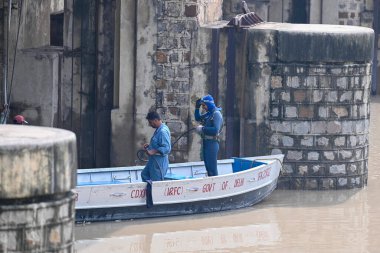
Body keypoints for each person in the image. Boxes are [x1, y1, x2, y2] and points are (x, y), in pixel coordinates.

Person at [194, 94, 223, 177]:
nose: (203, 107)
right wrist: (197, 108)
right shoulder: (209, 113)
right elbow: (198, 118)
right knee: (208, 166)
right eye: (202, 105)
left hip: (212, 143)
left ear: (209, 104)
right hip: (206, 142)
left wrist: (202, 129)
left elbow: (215, 130)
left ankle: (215, 185)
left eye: (204, 105)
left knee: (212, 168)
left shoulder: (216, 114)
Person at [141, 111, 171, 182]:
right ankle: (149, 191)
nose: (150, 124)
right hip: (153, 161)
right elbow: (159, 142)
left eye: (151, 122)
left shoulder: (162, 132)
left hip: (159, 163)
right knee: (144, 175)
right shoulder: (159, 129)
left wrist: (153, 151)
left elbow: (167, 148)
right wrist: (150, 145)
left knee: (156, 182)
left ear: (156, 120)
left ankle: (153, 192)